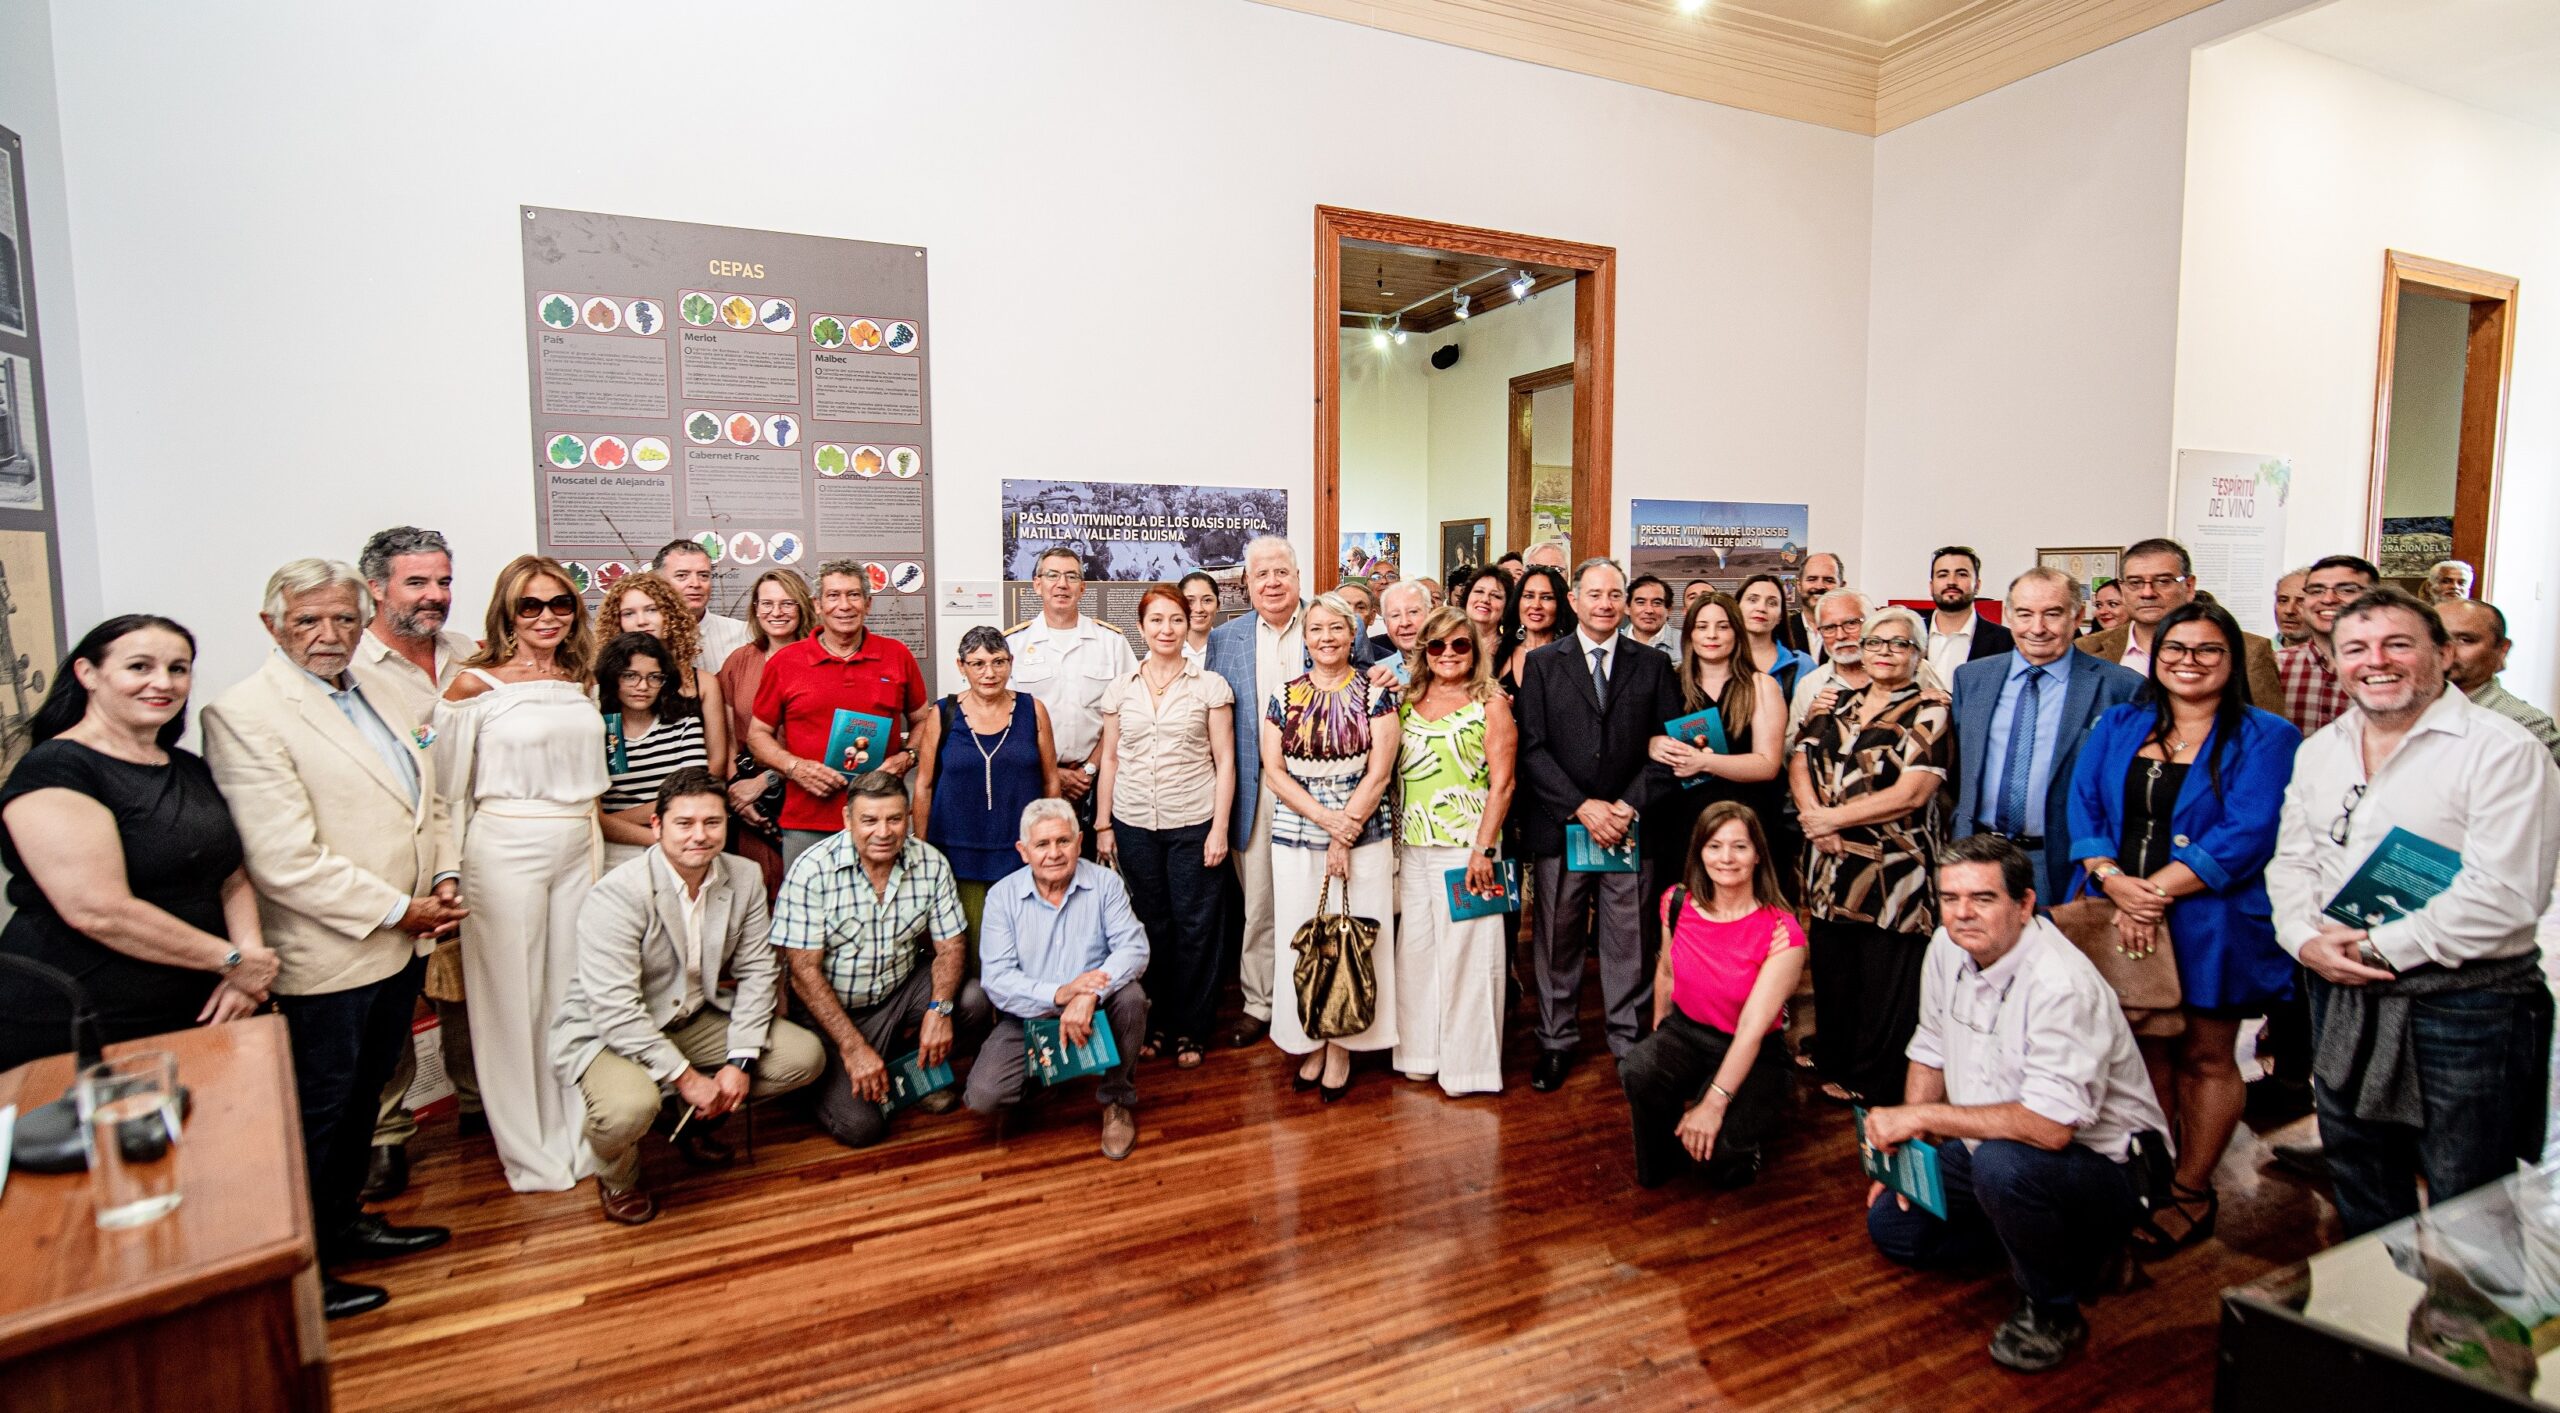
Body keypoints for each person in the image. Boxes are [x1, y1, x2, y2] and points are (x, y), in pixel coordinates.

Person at [202, 560, 460, 1319]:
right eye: (308, 620)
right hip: (331, 952)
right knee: (322, 1110)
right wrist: (397, 909)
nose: (328, 635)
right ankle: (305, 1270)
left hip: (401, 940)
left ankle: (346, 1222)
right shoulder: (243, 713)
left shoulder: (381, 686)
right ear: (270, 625)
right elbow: (282, 860)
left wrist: (443, 877)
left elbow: (430, 795)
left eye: (344, 619)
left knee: (361, 1101)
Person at [2268, 587, 2560, 1235]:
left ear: (2440, 653)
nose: (2377, 660)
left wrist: (2375, 949)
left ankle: (2473, 1334)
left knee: (2467, 1188)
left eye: (2398, 644)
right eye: (2357, 648)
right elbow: (2291, 862)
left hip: (2465, 1003)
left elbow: (2506, 897)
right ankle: (2381, 1319)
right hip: (2339, 989)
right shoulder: (2322, 750)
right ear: (2336, 661)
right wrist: (2303, 940)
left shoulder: (2503, 750)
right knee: (2358, 1167)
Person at [1864, 836, 2171, 1374]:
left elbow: (2050, 1128)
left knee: (2002, 1169)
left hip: (2111, 1167)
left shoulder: (2060, 983)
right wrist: (1910, 1153)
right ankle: (2052, 1250)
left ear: (2025, 904)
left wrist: (1920, 1116)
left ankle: (2053, 1308)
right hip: (1997, 1141)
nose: (1962, 914)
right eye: (1950, 897)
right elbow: (1931, 1045)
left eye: (1983, 898)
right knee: (1895, 1227)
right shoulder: (1945, 946)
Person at [2065, 600, 2300, 1252]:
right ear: (2156, 656)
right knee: (2141, 1053)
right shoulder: (2120, 722)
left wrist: (2155, 893)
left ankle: (2193, 1189)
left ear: (2232, 660)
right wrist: (2113, 881)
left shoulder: (2267, 735)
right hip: (2113, 911)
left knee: (2204, 1054)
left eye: (2206, 650)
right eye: (2176, 649)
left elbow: (2250, 830)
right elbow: (2082, 803)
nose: (2188, 662)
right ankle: (2150, 1171)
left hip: (2211, 923)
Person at [551, 768, 823, 1225]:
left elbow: (758, 970)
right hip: (611, 1031)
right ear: (656, 826)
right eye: (684, 823)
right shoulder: (617, 893)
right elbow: (615, 1009)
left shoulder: (744, 875)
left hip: (694, 1016)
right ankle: (617, 1177)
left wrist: (740, 1061)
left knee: (804, 1057)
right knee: (629, 1108)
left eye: (712, 823)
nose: (699, 836)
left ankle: (685, 1120)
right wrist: (686, 1077)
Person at [0, 615, 269, 1070]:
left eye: (178, 669)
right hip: (82, 1017)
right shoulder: (56, 768)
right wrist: (231, 959)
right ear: (88, 674)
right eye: (140, 667)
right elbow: (98, 910)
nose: (162, 682)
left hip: (202, 1003)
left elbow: (231, 875)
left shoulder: (187, 766)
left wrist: (249, 969)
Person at [436, 554, 609, 1193]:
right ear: (507, 612)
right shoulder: (472, 686)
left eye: (559, 603)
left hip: (576, 838)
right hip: (504, 842)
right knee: (510, 1000)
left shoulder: (579, 680)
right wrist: (445, 871)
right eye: (529, 605)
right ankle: (529, 1152)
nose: (546, 617)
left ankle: (576, 1134)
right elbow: (446, 790)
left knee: (571, 994)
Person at [1204, 536, 1379, 1049]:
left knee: (1323, 900)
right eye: (1261, 575)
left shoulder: (1332, 622)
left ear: (1299, 577)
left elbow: (1368, 686)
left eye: (1282, 572)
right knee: (1259, 905)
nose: (1272, 583)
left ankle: (1331, 999)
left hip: (1332, 794)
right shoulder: (1226, 638)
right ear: (1247, 585)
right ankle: (1262, 1002)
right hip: (1259, 792)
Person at [1516, 558, 1681, 1089]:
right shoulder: (1543, 664)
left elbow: (1667, 747)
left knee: (1627, 941)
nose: (1605, 603)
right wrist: (1583, 807)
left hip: (1630, 827)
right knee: (1557, 940)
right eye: (1595, 594)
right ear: (1575, 601)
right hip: (1564, 826)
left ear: (1627, 601)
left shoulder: (1653, 666)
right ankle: (1556, 1041)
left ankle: (1628, 1044)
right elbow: (1532, 748)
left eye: (1616, 594)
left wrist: (1626, 806)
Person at [351, 524, 481, 1192]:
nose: (435, 596)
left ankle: (474, 1101)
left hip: (473, 840)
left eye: (443, 581)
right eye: (417, 582)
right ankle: (386, 1131)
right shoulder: (350, 667)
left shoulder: (471, 653)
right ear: (376, 586)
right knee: (390, 997)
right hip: (392, 850)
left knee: (466, 985)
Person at [774, 771, 993, 1149]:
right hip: (831, 1012)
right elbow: (803, 974)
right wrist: (854, 1048)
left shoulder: (930, 863)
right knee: (862, 1128)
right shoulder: (812, 871)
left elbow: (951, 945)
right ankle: (819, 1083)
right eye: (869, 820)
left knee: (974, 1000)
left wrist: (939, 1010)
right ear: (847, 820)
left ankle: (910, 1071)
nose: (884, 831)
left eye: (894, 819)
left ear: (908, 817)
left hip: (898, 992)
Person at [1791, 604, 1951, 1105]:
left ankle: (1874, 1080)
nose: (1884, 652)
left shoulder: (1931, 707)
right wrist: (1815, 819)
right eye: (1876, 642)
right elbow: (1800, 757)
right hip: (1830, 861)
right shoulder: (1836, 700)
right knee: (1835, 971)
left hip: (1893, 871)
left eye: (1898, 644)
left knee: (1887, 982)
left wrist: (1832, 820)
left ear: (1917, 654)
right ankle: (1834, 1058)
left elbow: (1914, 792)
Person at [1620, 803, 1807, 1189]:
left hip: (1756, 1052)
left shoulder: (1782, 932)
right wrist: (1660, 1033)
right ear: (1699, 852)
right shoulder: (1677, 901)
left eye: (1739, 847)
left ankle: (1741, 1144)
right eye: (1714, 846)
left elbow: (1752, 1032)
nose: (1726, 858)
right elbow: (1667, 972)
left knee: (1720, 1158)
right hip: (1688, 1032)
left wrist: (1713, 1103)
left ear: (1758, 855)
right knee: (1639, 1068)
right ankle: (1671, 1142)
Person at [1263, 593, 1402, 1099]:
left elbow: (1380, 770)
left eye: (1337, 629)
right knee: (1304, 940)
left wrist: (1346, 831)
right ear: (1305, 637)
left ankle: (1343, 1044)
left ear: (1353, 635)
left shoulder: (1375, 693)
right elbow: (1274, 772)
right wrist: (1327, 824)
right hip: (1297, 832)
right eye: (1316, 628)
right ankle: (1312, 1036)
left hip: (1365, 832)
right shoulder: (1285, 693)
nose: (1326, 637)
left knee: (1356, 937)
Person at [1097, 586, 1234, 1069]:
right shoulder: (1120, 689)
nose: (1167, 630)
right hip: (1133, 821)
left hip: (1193, 821)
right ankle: (1154, 1021)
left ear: (1189, 621)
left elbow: (1226, 760)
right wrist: (1101, 824)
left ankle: (1192, 1028)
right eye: (1156, 621)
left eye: (1176, 620)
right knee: (1149, 924)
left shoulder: (1210, 686)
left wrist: (1219, 829)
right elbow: (1110, 759)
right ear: (1141, 628)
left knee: (1196, 926)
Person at [966, 800, 1150, 1158]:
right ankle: (1040, 1081)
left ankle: (1116, 1101)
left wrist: (1088, 997)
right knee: (984, 1097)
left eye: (1063, 841)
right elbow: (998, 979)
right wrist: (1061, 994)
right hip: (1029, 1018)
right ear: (1023, 851)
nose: (1054, 853)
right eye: (1042, 845)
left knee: (1131, 998)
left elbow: (1135, 948)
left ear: (1079, 842)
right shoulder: (1002, 897)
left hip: (1095, 1011)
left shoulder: (1105, 884)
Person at [1949, 568, 2142, 905]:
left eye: (2052, 614)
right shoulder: (1971, 678)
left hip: (2064, 863)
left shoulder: (2120, 687)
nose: (2037, 628)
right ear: (2008, 615)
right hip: (1978, 855)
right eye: (2024, 614)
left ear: (2078, 615)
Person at [1395, 604, 1516, 1095]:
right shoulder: (1406, 699)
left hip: (1469, 849)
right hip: (1413, 847)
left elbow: (1504, 785)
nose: (1448, 653)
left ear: (1476, 650)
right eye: (1438, 644)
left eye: (1459, 644)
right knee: (1417, 953)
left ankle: (1468, 1068)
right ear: (1424, 649)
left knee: (1471, 960)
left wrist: (1483, 850)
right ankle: (1420, 1053)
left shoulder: (1491, 703)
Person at [748, 559, 930, 876]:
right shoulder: (785, 662)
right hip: (807, 820)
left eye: (853, 595)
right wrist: (794, 767)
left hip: (881, 819)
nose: (844, 606)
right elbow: (757, 735)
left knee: (882, 915)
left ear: (868, 604)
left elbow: (923, 720)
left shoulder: (896, 655)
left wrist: (908, 756)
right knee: (809, 919)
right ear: (817, 605)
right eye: (833, 596)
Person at [912, 625, 1059, 936]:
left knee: (1025, 942)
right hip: (955, 853)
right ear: (961, 666)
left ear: (1010, 662)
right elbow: (924, 785)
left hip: (1021, 852)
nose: (989, 672)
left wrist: (1050, 843)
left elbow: (1051, 783)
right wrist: (920, 850)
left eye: (998, 661)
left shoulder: (1033, 710)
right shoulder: (943, 713)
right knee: (967, 949)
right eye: (978, 664)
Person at [1648, 592, 1787, 903]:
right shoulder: (1668, 682)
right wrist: (1652, 744)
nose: (1711, 635)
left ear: (1737, 632)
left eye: (1722, 627)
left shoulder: (1760, 686)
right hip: (1680, 823)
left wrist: (1705, 763)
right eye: (1702, 627)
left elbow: (1768, 764)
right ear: (1689, 634)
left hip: (1743, 823)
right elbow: (1645, 738)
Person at [1006, 548, 1136, 836]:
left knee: (1098, 867)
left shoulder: (1111, 642)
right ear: (1037, 584)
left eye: (1071, 576)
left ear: (1083, 587)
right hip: (1032, 779)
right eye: (1052, 575)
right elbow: (1004, 719)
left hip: (1099, 781)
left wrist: (1089, 769)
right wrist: (1053, 773)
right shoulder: (1013, 645)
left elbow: (1129, 713)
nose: (1062, 584)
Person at [2076, 539, 2281, 709]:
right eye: (2135, 583)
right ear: (2123, 588)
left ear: (2189, 586)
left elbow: (2269, 738)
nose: (2147, 593)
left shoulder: (2249, 651)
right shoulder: (2086, 649)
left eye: (2163, 581)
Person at [715, 567, 814, 895]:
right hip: (749, 806)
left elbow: (829, 739)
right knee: (756, 896)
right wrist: (738, 794)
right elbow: (728, 737)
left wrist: (766, 782)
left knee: (804, 894)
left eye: (787, 604)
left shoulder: (820, 661)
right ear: (755, 609)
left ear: (802, 607)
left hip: (807, 795)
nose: (776, 612)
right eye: (767, 603)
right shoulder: (739, 662)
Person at [595, 632, 710, 870]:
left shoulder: (684, 722)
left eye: (654, 677)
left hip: (683, 843)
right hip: (614, 850)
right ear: (612, 677)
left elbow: (692, 796)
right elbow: (593, 814)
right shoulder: (597, 727)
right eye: (630, 676)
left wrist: (609, 821)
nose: (643, 686)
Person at [603, 570, 730, 777]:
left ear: (670, 614)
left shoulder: (703, 683)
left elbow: (717, 763)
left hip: (691, 801)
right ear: (617, 622)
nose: (641, 621)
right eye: (628, 613)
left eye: (652, 610)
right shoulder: (604, 683)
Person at [2442, 600, 2560, 765]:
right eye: (2438, 639)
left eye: (2465, 640)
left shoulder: (2525, 724)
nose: (2447, 651)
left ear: (2502, 649)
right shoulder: (2409, 709)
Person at [2276, 554, 2379, 735]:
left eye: (2347, 590)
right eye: (2316, 590)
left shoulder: (2388, 667)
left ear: (2376, 598)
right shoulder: (2276, 665)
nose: (2328, 599)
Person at [653, 538, 753, 678]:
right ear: (658, 583)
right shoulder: (646, 635)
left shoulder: (744, 635)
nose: (695, 583)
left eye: (703, 575)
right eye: (682, 575)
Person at [1922, 546, 2014, 681]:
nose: (1951, 582)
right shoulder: (1910, 635)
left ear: (1977, 585)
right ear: (1931, 586)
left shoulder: (2007, 641)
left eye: (1962, 574)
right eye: (1943, 575)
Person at [1734, 573, 1814, 701]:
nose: (1761, 608)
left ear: (1780, 617)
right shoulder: (1718, 660)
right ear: (1736, 606)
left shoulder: (1802, 665)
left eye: (1772, 603)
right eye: (1753, 600)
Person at [1499, 564, 1575, 696]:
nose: (1536, 605)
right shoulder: (1502, 652)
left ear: (1560, 604)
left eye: (1546, 597)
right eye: (1529, 596)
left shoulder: (1573, 658)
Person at [1779, 551, 1844, 659]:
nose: (1819, 586)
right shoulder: (1781, 630)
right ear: (1799, 586)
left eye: (1829, 580)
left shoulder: (1852, 633)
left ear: (1842, 587)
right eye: (1812, 579)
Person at [1372, 578, 1431, 679]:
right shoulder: (1376, 675)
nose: (1404, 623)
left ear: (1430, 614)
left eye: (1413, 612)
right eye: (1395, 615)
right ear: (1385, 623)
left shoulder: (1449, 665)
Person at [1625, 574, 1681, 662]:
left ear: (1669, 610)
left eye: (1657, 603)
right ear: (1627, 608)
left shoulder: (1686, 643)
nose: (1649, 610)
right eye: (1641, 602)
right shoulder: (1614, 643)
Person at [1178, 570, 1221, 664]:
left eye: (1207, 600)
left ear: (1218, 605)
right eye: (1190, 601)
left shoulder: (1231, 648)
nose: (1198, 609)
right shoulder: (1165, 650)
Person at [2271, 568, 2310, 646]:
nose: (2289, 610)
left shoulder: (2337, 656)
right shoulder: (2255, 653)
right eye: (2283, 600)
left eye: (2302, 602)